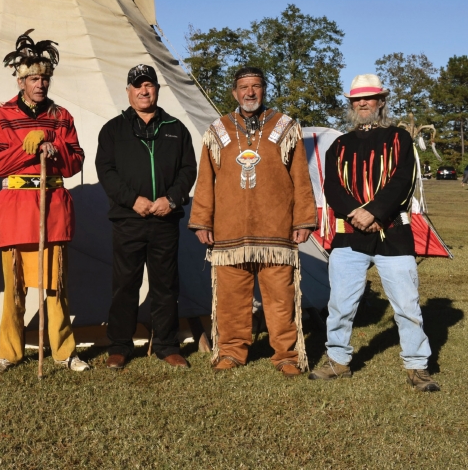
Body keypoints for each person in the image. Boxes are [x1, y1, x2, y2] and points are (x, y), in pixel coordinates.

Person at [310, 74, 439, 392]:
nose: (363, 103)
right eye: (357, 99)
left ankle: (417, 365)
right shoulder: (340, 144)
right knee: (340, 303)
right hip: (349, 234)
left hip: (392, 233)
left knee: (407, 305)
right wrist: (356, 214)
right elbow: (332, 187)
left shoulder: (399, 139)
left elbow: (402, 181)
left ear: (381, 101)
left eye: (369, 98)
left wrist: (375, 212)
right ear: (351, 104)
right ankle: (338, 361)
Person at [188, 66, 316, 376]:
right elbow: (205, 180)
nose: (249, 92)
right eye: (243, 87)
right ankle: (231, 351)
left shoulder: (286, 127)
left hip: (276, 230)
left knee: (281, 298)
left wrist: (303, 219)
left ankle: (286, 355)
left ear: (264, 90)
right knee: (231, 299)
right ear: (234, 92)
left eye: (256, 86)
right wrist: (203, 220)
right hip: (229, 231)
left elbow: (301, 177)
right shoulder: (217, 130)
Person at [0, 30, 90, 375]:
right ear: (20, 79)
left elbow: (76, 160)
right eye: (33, 78)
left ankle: (63, 352)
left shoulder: (62, 116)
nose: (40, 84)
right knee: (14, 286)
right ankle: (9, 353)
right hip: (16, 207)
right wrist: (25, 144)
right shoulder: (2, 115)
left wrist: (52, 145)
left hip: (52, 205)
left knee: (56, 285)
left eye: (44, 78)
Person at [96, 64, 197, 370]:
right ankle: (120, 345)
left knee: (166, 285)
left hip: (165, 219)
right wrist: (132, 200)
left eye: (149, 85)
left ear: (156, 89)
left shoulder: (175, 128)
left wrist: (172, 199)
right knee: (125, 284)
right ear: (128, 92)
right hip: (128, 219)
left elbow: (187, 170)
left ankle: (166, 345)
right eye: (137, 85)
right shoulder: (113, 129)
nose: (143, 90)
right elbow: (106, 171)